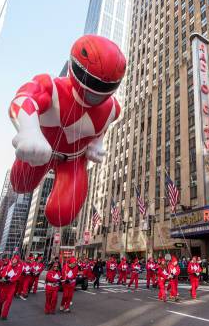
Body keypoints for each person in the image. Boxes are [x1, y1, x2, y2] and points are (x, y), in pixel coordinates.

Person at [8, 35, 125, 228]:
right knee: (20, 184)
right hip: (41, 152)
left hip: (74, 162)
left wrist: (97, 145)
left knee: (61, 213)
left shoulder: (112, 109)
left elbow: (101, 130)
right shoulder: (50, 86)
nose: (95, 93)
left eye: (104, 87)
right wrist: (29, 131)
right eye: (94, 83)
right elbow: (23, 99)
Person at [0, 254, 22, 320]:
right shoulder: (7, 267)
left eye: (16, 260)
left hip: (12, 287)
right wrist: (3, 279)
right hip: (4, 286)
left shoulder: (18, 269)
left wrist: (10, 280)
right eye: (14, 260)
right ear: (12, 260)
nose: (14, 261)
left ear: (17, 262)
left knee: (8, 301)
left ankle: (4, 315)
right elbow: (2, 275)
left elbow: (17, 277)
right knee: (1, 300)